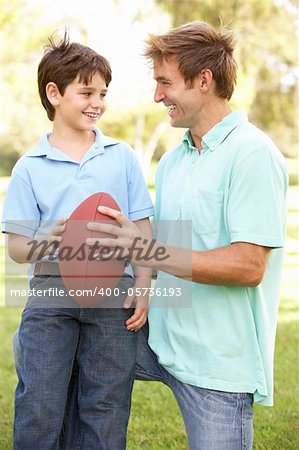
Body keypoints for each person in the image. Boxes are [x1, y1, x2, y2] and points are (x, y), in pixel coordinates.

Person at [79, 21, 288, 449]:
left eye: (164, 83)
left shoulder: (252, 153)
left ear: (204, 80)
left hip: (218, 369)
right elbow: (162, 250)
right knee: (48, 333)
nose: (157, 96)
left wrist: (147, 250)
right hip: (157, 341)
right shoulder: (174, 160)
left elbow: (249, 265)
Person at [2, 32, 153, 450]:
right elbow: (17, 248)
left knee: (105, 404)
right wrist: (45, 241)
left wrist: (143, 284)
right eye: (86, 91)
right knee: (40, 402)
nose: (97, 102)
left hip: (113, 295)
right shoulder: (30, 167)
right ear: (54, 93)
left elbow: (142, 226)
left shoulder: (120, 156)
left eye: (103, 93)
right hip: (51, 294)